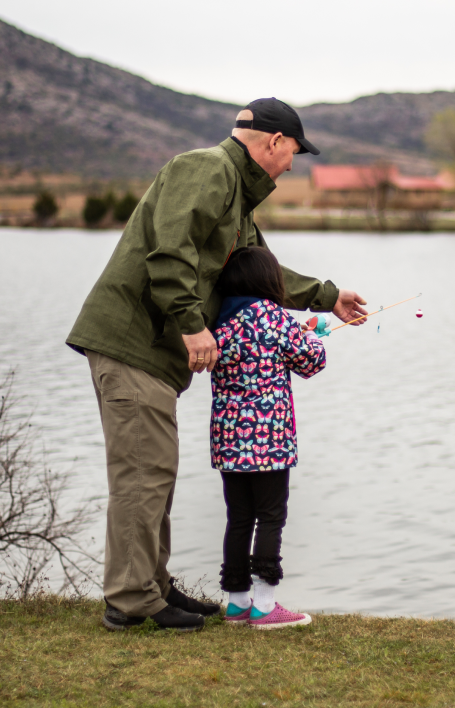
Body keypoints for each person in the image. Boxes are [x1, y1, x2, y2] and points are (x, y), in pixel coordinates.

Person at [66, 97, 368, 632]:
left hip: (156, 355)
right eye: (294, 151)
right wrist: (189, 321)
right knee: (142, 473)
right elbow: (169, 250)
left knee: (155, 471)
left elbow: (266, 277)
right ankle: (132, 598)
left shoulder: (238, 205)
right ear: (274, 142)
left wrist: (328, 296)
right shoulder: (207, 168)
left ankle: (151, 586)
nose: (294, 164)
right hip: (133, 340)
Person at [211, 247, 324, 629]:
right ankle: (264, 604)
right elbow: (312, 362)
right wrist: (315, 337)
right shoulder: (274, 317)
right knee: (271, 516)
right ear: (267, 280)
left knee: (239, 517)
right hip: (270, 442)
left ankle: (237, 603)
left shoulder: (218, 323)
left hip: (229, 441)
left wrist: (300, 334)